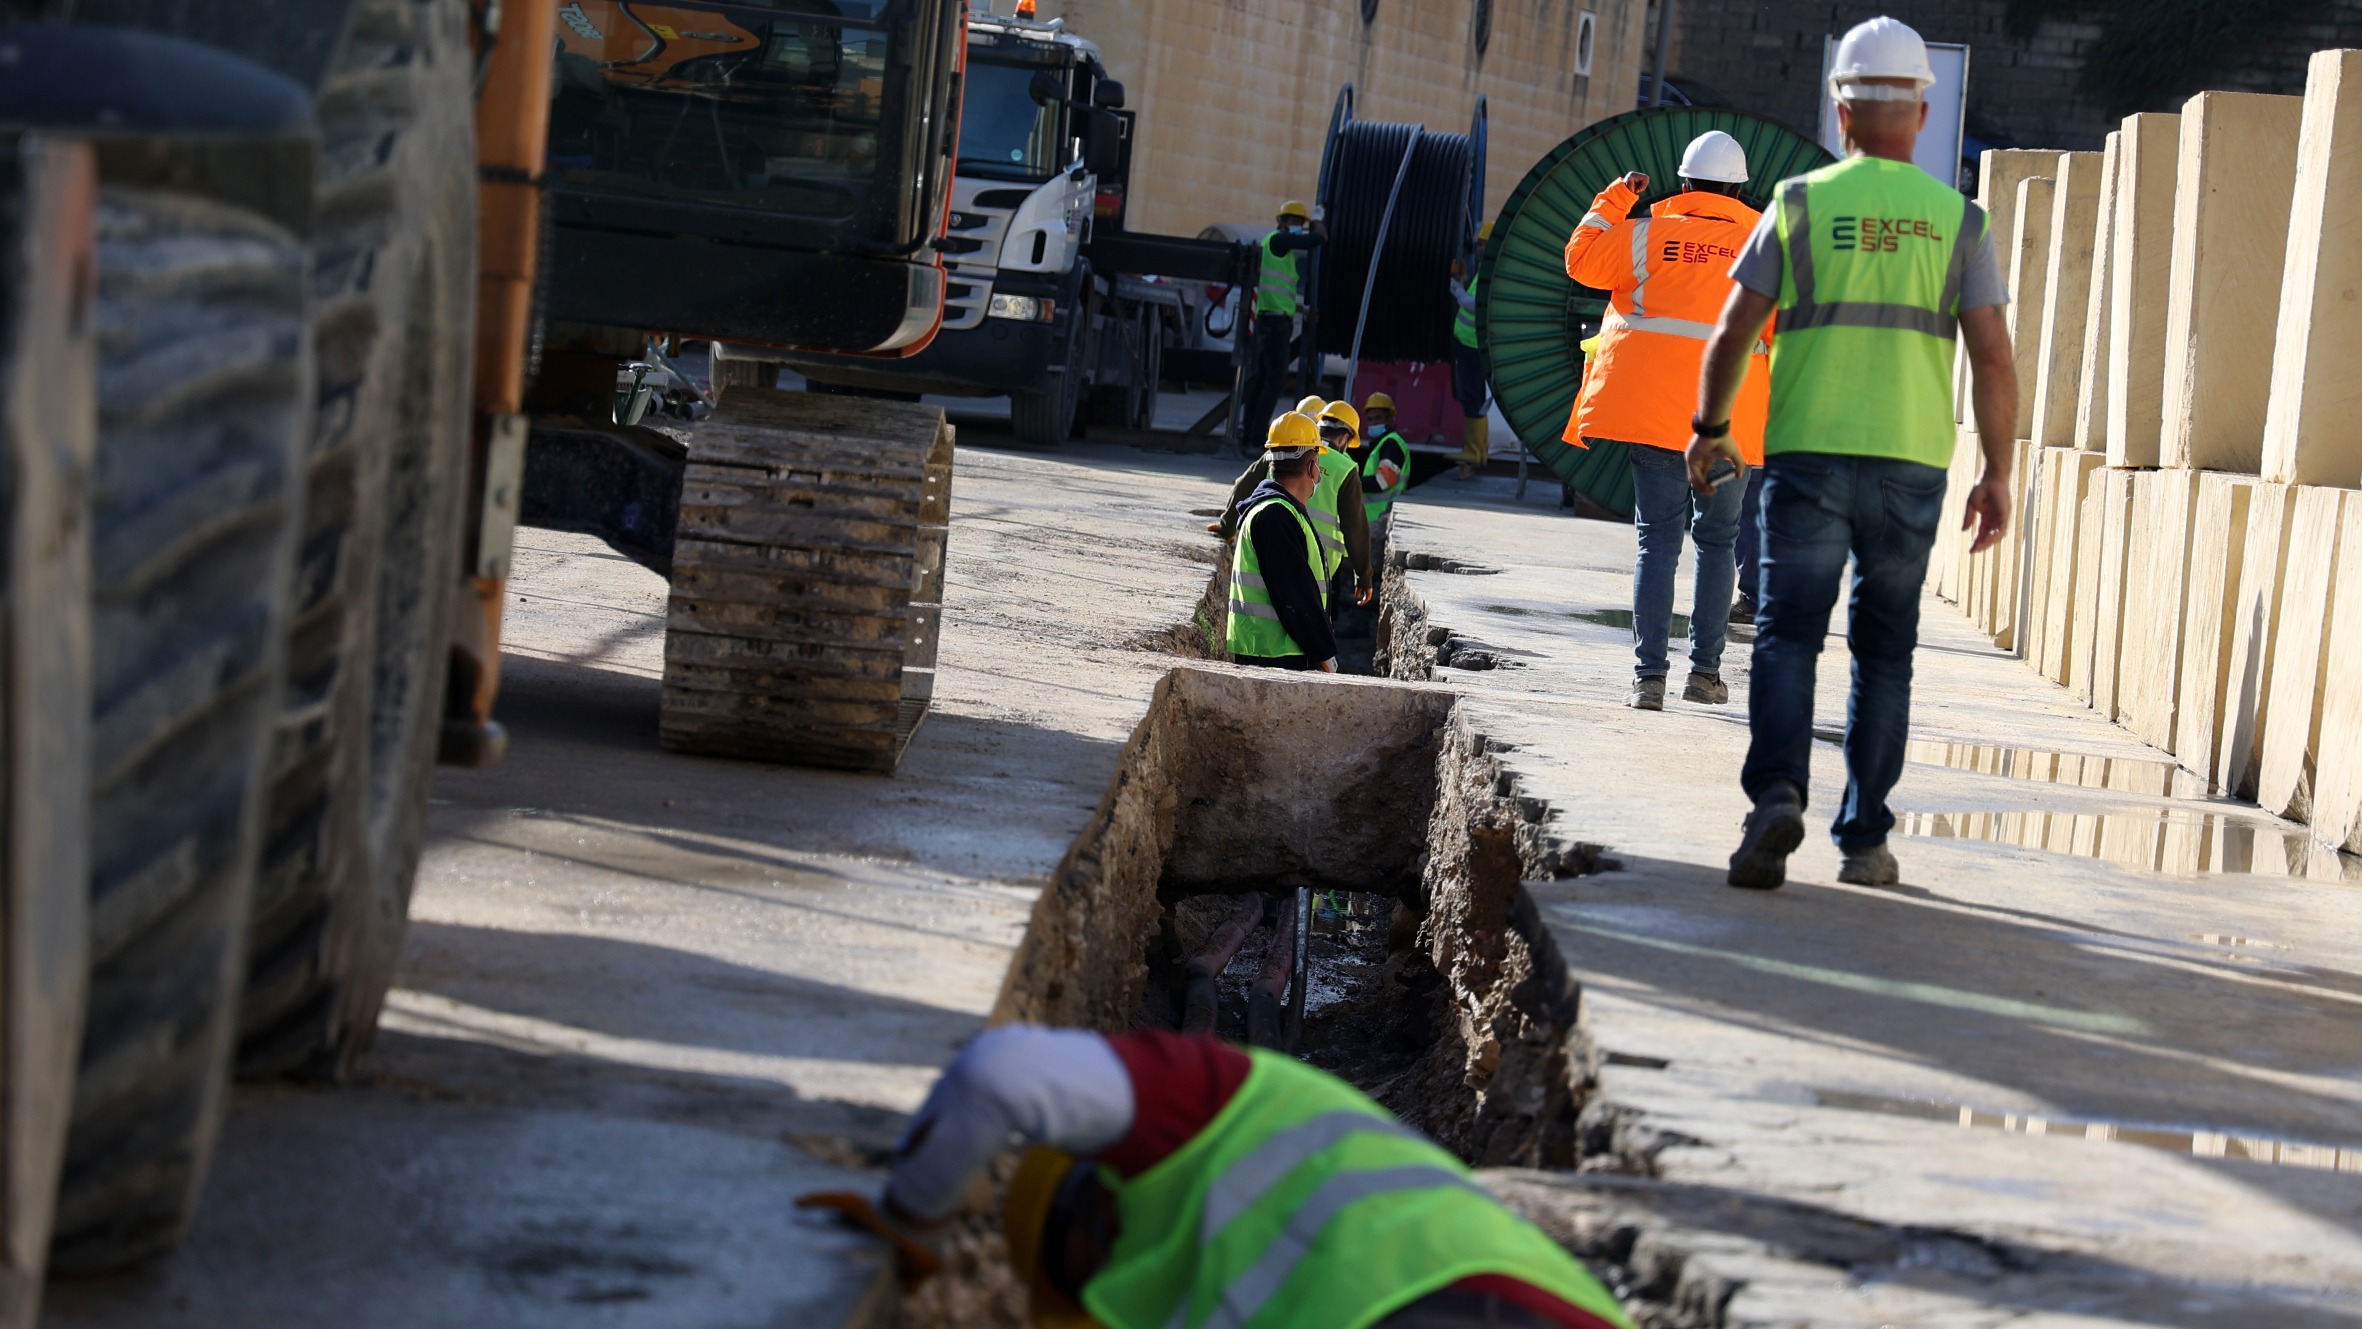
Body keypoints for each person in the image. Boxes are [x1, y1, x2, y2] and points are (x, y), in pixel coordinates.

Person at [1687, 15, 2016, 890]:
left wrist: (1710, 428)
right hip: (1911, 466)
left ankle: (1777, 799)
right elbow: (1993, 358)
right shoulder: (1960, 222)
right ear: (1920, 114)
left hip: (1808, 457)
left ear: (1841, 109)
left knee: (1788, 636)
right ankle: (1865, 840)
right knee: (1885, 651)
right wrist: (2000, 472)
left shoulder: (1797, 205)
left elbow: (1731, 333)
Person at [877, 1024, 1633, 1329]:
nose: (1098, 1272)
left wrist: (910, 1222)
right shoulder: (1159, 1287)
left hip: (1469, 1304)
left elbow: (1001, 1072)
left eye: (1070, 1267)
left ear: (1089, 1189)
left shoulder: (1206, 1103)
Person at [1563, 130, 1771, 713]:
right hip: (1726, 420)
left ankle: (1647, 679)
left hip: (1654, 414)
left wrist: (1614, 198)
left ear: (1683, 184)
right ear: (1738, 188)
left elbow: (1580, 261)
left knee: (1657, 542)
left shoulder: (1646, 233)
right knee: (1718, 541)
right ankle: (1704, 674)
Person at [1215, 397, 1375, 614]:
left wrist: (1226, 528)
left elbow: (1243, 487)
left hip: (1270, 547)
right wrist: (1363, 576)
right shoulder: (1345, 468)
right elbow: (1355, 527)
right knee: (1309, 625)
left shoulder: (1283, 450)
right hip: (1318, 567)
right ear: (1345, 438)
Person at [1227, 412, 1341, 671]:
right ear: (1312, 467)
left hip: (1267, 650)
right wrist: (1324, 652)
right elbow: (1294, 594)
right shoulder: (1275, 516)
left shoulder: (1274, 511)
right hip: (1276, 654)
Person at [1240, 201, 1326, 438]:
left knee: (1264, 380)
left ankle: (1249, 433)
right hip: (1274, 324)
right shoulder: (1277, 240)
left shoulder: (1279, 249)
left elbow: (1279, 292)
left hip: (1273, 320)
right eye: (1296, 222)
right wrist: (1318, 221)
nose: (1299, 227)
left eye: (1302, 223)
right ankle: (1256, 436)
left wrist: (1300, 308)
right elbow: (1318, 240)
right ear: (1284, 222)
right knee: (1275, 382)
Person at [1448, 221, 1494, 480]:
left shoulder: (1491, 269)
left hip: (1472, 346)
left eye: (1481, 243)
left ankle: (1472, 450)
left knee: (1471, 398)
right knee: (1475, 397)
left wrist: (1456, 290)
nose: (1478, 247)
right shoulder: (1486, 269)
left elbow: (1476, 305)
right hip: (1471, 344)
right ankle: (1478, 451)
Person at [1359, 392, 1412, 556]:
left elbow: (1382, 482)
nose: (1373, 423)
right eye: (1371, 419)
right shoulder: (1383, 444)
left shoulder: (1392, 445)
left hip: (1380, 516)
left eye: (1378, 418)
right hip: (1374, 517)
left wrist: (1351, 482)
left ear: (1389, 419)